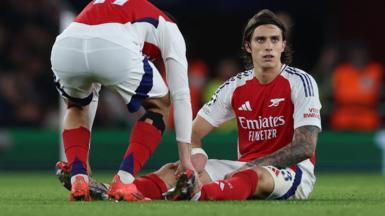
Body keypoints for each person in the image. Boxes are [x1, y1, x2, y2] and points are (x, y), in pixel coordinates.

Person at [56, 9, 321, 201]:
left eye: (275, 40)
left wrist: (252, 166)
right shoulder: (235, 86)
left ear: (284, 45)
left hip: (291, 173)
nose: (268, 47)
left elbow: (304, 147)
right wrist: (195, 159)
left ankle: (194, 194)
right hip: (243, 168)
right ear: (248, 47)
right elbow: (193, 134)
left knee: (255, 177)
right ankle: (111, 191)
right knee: (176, 170)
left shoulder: (301, 82)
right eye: (260, 40)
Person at [50, 0, 195, 201]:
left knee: (76, 105)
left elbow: (92, 75)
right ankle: (124, 181)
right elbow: (181, 94)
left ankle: (78, 179)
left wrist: (80, 163)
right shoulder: (170, 28)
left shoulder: (118, 8)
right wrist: (186, 160)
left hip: (65, 45)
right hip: (113, 44)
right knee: (159, 104)